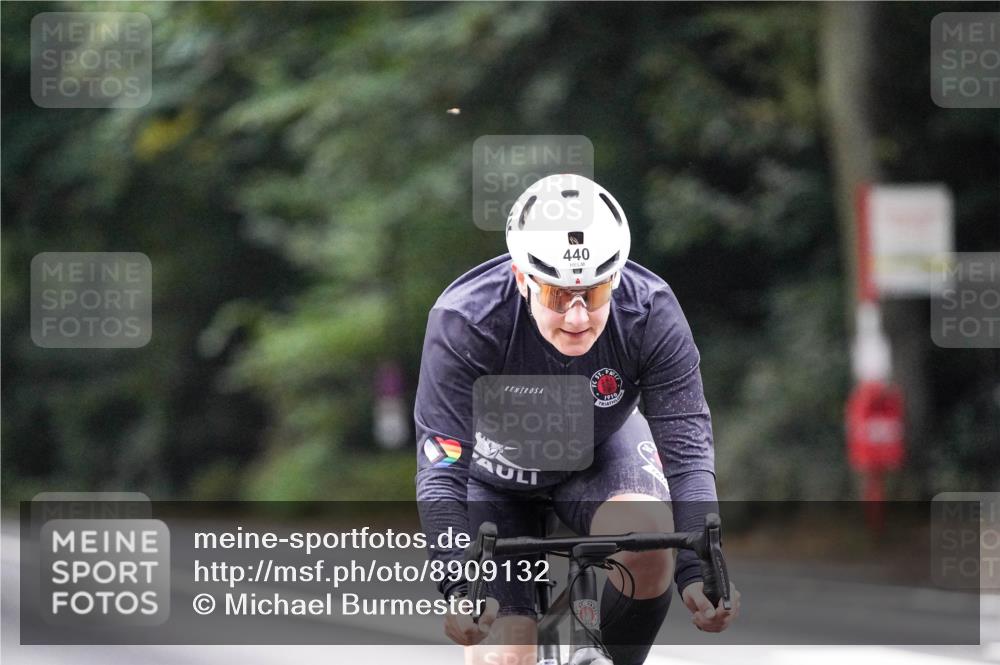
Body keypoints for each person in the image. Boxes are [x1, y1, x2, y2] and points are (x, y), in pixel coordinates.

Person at [414, 174, 740, 665]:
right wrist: (461, 583)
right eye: (555, 295)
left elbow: (688, 449)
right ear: (522, 278)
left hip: (598, 449)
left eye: (594, 292)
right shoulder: (466, 321)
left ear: (616, 276)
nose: (577, 317)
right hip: (494, 474)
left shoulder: (650, 310)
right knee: (507, 654)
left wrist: (700, 570)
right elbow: (441, 472)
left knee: (650, 537)